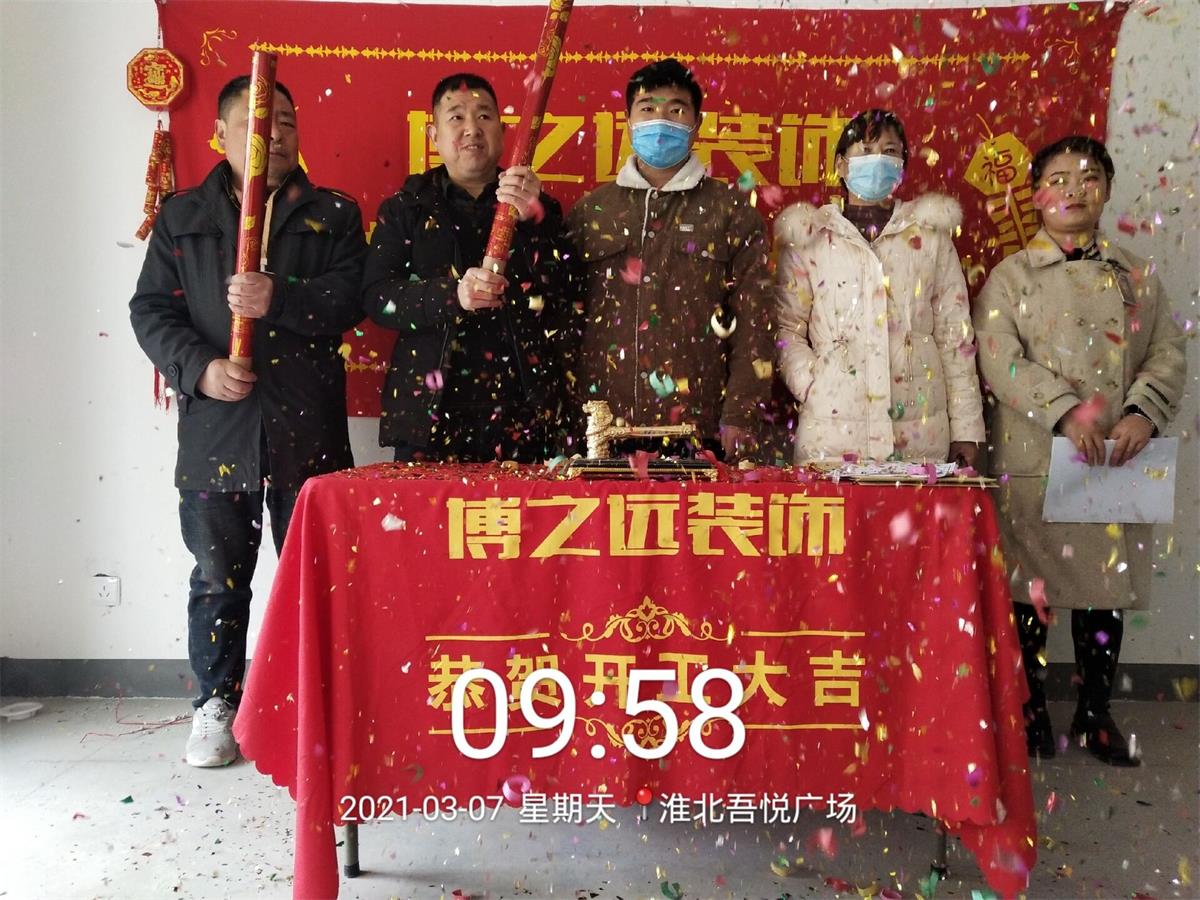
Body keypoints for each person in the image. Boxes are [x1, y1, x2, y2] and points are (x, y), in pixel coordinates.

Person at [129, 75, 367, 767]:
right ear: (221, 135)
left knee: (315, 578)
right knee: (217, 578)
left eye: (287, 122)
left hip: (306, 426)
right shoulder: (183, 216)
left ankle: (308, 700)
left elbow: (352, 299)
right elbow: (151, 310)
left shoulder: (332, 213)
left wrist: (279, 298)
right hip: (217, 431)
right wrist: (199, 369)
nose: (275, 135)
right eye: (259, 122)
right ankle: (216, 701)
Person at [974, 136, 1186, 765]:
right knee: (1030, 592)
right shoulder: (1011, 276)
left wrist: (1143, 413)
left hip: (1113, 457)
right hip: (1037, 454)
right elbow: (998, 359)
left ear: (1107, 190)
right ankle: (1029, 709)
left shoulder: (1136, 275)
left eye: (1088, 178)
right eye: (1058, 178)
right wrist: (1064, 410)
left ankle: (1096, 712)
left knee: (1103, 590)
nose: (1073, 190)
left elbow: (1167, 352)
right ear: (1036, 194)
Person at [362, 73, 580, 462]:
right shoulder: (405, 208)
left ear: (503, 130)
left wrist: (537, 220)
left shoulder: (538, 207)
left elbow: (568, 293)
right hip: (428, 417)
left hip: (524, 415)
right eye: (456, 117)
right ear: (433, 134)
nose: (471, 129)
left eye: (484, 116)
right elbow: (377, 297)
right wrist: (453, 295)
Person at [565, 58, 773, 461]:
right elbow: (565, 321)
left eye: (676, 109)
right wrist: (568, 415)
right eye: (647, 108)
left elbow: (755, 321)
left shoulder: (730, 211)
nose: (660, 121)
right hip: (601, 430)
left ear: (697, 123)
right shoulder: (593, 213)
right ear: (628, 120)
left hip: (698, 431)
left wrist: (741, 414)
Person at [773, 109, 985, 466]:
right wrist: (814, 384)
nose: (877, 161)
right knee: (833, 505)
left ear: (902, 166)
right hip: (831, 432)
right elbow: (786, 329)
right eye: (865, 150)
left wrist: (966, 428)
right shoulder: (810, 236)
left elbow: (955, 335)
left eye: (889, 151)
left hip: (920, 430)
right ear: (841, 165)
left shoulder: (929, 234)